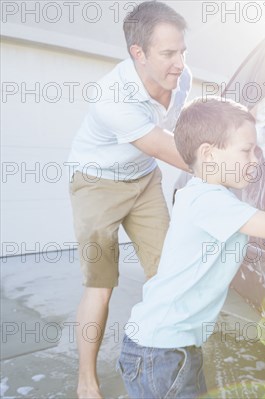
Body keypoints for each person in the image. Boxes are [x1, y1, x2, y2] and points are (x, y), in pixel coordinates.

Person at [117, 97, 265, 398]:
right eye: (246, 150)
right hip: (160, 353)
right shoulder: (208, 202)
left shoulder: (213, 196)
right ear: (209, 154)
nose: (255, 159)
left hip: (170, 348)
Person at [67, 2, 191, 397]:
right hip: (97, 182)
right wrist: (234, 166)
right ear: (138, 53)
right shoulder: (113, 95)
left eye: (182, 50)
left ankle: (168, 366)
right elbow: (168, 149)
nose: (179, 62)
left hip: (142, 179)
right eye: (168, 54)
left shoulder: (182, 78)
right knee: (101, 284)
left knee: (167, 275)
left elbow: (182, 132)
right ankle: (87, 381)